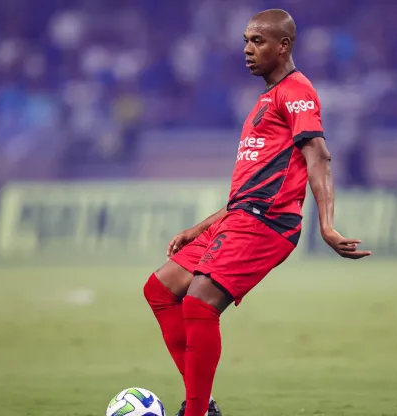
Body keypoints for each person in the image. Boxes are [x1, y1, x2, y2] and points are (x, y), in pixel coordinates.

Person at [143, 9, 371, 416]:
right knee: (160, 290)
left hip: (266, 225)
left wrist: (328, 225)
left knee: (198, 304)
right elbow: (249, 190)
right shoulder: (266, 99)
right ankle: (204, 404)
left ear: (284, 46)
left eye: (258, 41)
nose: (248, 50)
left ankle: (196, 412)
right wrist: (202, 227)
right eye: (246, 41)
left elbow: (318, 155)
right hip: (240, 217)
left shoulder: (296, 91)